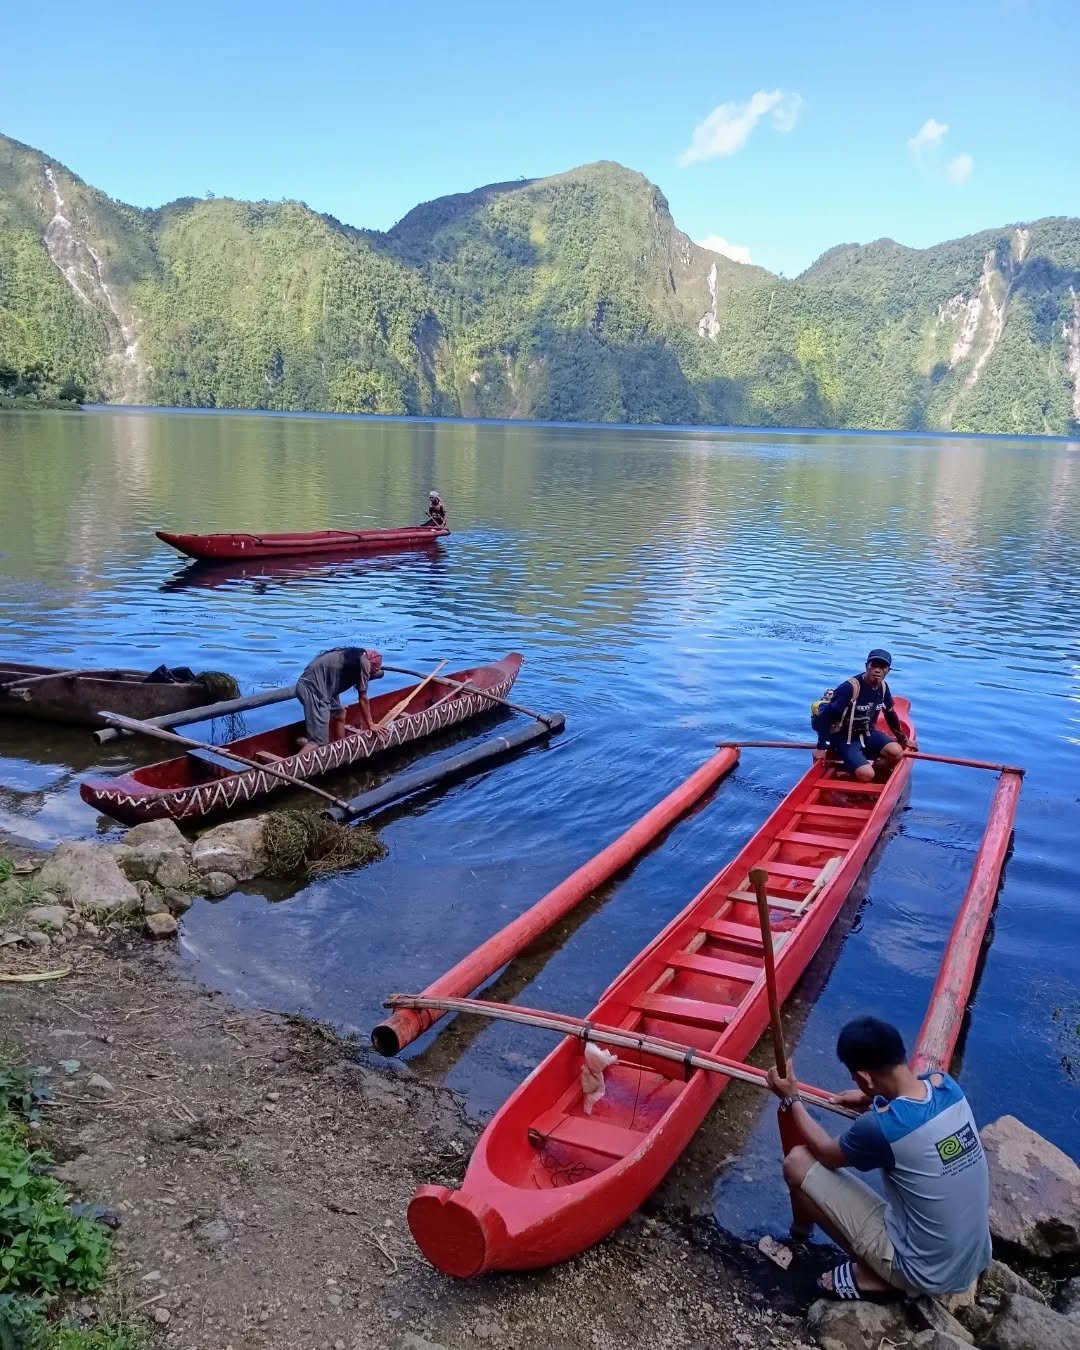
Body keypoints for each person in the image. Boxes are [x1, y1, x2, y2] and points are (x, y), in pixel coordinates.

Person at [767, 1017, 991, 1302]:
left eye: (855, 1078)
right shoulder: (946, 1086)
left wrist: (791, 1098)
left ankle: (883, 1277)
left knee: (798, 1163)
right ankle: (895, 1268)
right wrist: (871, 1096)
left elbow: (825, 1152)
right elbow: (910, 1095)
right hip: (972, 1259)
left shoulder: (882, 1127)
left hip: (926, 1273)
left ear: (864, 1077)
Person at [812, 649, 912, 781]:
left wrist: (903, 739)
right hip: (845, 738)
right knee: (866, 774)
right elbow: (825, 717)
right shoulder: (850, 688)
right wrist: (821, 747)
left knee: (896, 752)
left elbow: (890, 713)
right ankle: (851, 773)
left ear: (888, 670)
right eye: (874, 665)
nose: (877, 670)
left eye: (882, 667)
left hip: (867, 734)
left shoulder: (883, 687)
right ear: (867, 666)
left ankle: (872, 776)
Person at [295, 646, 384, 749]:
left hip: (318, 688)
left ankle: (340, 748)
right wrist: (371, 724)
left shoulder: (355, 655)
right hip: (312, 690)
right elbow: (363, 698)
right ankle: (301, 756)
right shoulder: (365, 664)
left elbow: (334, 680)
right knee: (318, 742)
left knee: (340, 713)